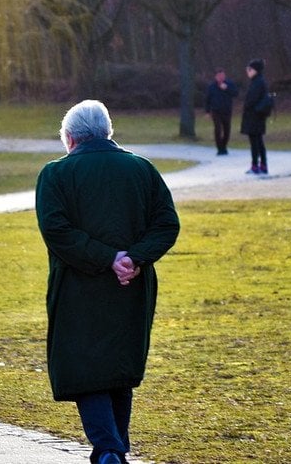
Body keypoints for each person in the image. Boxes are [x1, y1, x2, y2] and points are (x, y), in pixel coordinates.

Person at [35, 100, 181, 464]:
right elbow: (166, 224)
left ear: (70, 138)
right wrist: (133, 258)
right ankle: (117, 448)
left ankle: (109, 449)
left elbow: (57, 230)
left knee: (86, 369)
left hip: (78, 287)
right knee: (118, 367)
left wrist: (106, 258)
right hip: (131, 285)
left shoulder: (55, 175)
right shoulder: (141, 169)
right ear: (108, 132)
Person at [240, 58, 273, 175]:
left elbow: (251, 101)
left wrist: (247, 106)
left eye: (250, 69)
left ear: (255, 70)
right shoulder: (259, 81)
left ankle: (255, 166)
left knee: (255, 143)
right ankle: (263, 165)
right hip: (257, 116)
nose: (247, 71)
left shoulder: (257, 83)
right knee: (258, 142)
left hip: (254, 117)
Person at [204, 67, 239, 155]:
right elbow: (207, 99)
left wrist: (227, 89)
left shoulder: (229, 84)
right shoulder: (211, 87)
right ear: (216, 77)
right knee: (218, 129)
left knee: (227, 129)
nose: (221, 78)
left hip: (227, 110)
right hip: (216, 111)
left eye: (222, 76)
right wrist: (207, 112)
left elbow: (236, 93)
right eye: (219, 76)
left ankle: (224, 146)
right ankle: (219, 148)